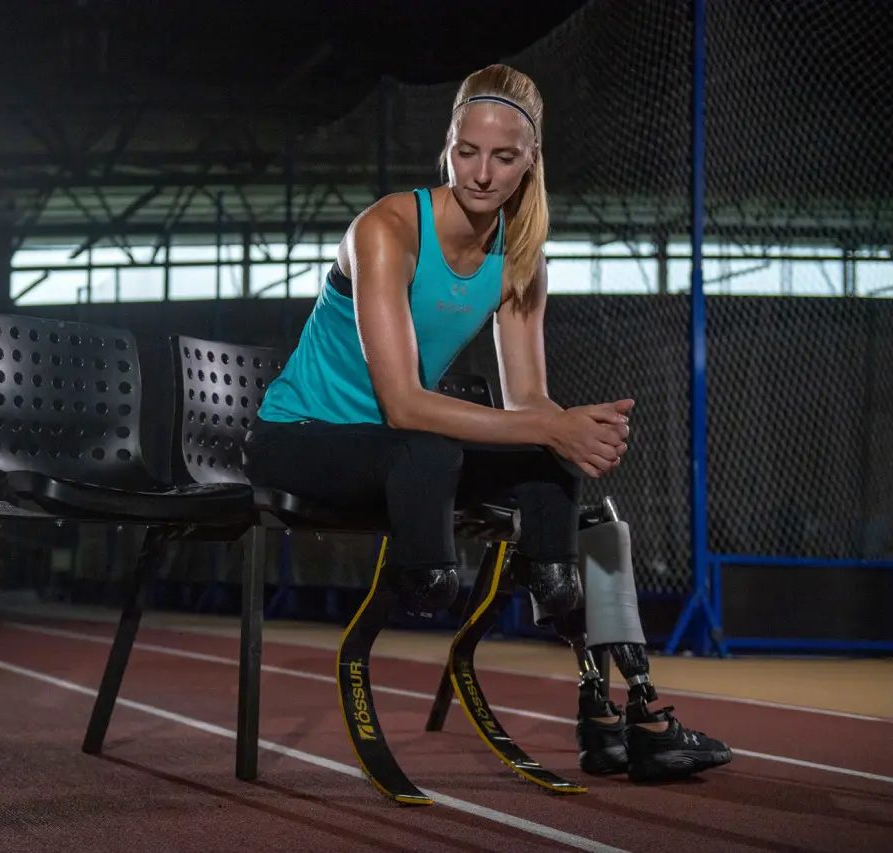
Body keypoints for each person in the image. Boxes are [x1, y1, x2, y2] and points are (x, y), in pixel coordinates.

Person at [243, 63, 730, 783]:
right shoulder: (387, 228)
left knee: (561, 474)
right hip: (300, 440)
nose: (480, 173)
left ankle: (621, 708)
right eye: (466, 151)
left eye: (503, 157)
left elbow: (528, 399)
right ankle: (431, 577)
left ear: (530, 161)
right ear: (447, 144)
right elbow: (404, 404)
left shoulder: (520, 257)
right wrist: (548, 428)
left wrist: (574, 430)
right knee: (432, 451)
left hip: (403, 451)